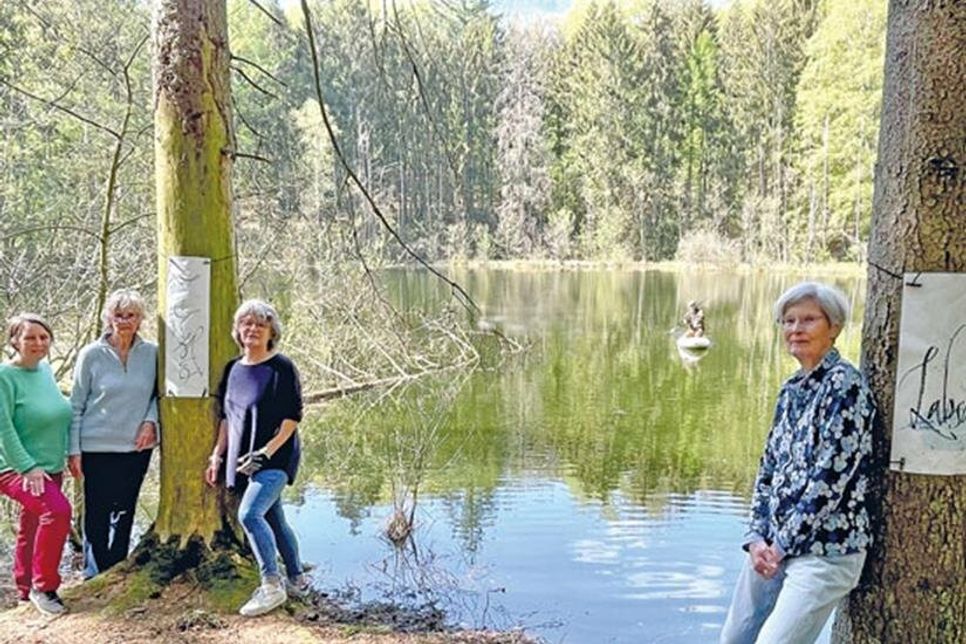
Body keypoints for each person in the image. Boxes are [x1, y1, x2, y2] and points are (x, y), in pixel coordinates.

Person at [720, 282, 875, 644]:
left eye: (808, 320)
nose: (795, 329)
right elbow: (768, 469)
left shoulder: (845, 387)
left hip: (827, 551)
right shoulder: (791, 389)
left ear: (833, 327)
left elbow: (830, 482)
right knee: (734, 639)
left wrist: (781, 545)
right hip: (773, 546)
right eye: (788, 321)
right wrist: (756, 537)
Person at [205, 299, 307, 617]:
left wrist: (265, 453)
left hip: (275, 458)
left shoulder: (282, 368)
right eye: (246, 323)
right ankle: (297, 578)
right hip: (240, 458)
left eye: (260, 325)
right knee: (273, 518)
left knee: (249, 515)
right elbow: (226, 418)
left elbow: (292, 419)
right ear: (238, 330)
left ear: (271, 332)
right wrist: (216, 456)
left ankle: (271, 586)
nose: (252, 329)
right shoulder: (233, 369)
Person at [69, 289, 158, 577]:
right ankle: (94, 572)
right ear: (108, 317)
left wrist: (151, 421)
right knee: (97, 510)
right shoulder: (91, 355)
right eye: (118, 315)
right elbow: (76, 405)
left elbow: (160, 396)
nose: (124, 321)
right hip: (96, 446)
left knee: (125, 509)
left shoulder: (152, 354)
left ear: (140, 319)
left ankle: (117, 567)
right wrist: (74, 450)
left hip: (137, 447)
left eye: (130, 315)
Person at [0, 313, 72, 615]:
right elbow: (3, 429)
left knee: (32, 524)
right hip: (15, 468)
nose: (38, 343)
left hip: (50, 465)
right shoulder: (4, 376)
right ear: (14, 341)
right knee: (57, 512)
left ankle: (25, 588)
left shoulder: (43, 370)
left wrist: (67, 454)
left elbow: (53, 413)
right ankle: (45, 587)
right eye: (30, 337)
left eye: (44, 337)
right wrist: (26, 467)